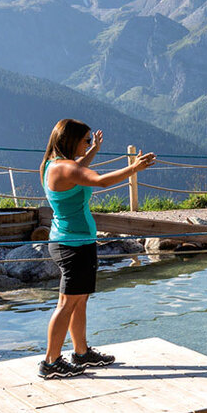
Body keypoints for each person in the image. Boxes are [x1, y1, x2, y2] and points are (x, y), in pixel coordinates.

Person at [38, 118, 155, 379]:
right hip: (74, 245)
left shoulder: (52, 165)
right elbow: (100, 181)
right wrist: (134, 168)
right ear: (71, 141)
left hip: (70, 241)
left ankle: (81, 353)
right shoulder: (65, 168)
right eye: (86, 140)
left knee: (78, 301)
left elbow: (78, 168)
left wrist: (93, 151)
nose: (89, 143)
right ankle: (50, 361)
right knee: (67, 304)